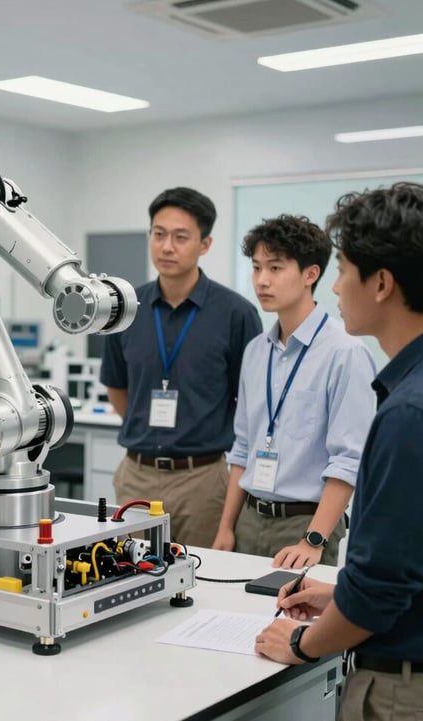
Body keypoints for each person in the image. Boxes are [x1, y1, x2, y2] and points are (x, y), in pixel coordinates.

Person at [254, 183, 423, 719]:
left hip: (401, 685)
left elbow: (382, 587)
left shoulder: (407, 412)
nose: (334, 286)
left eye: (344, 270)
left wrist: (301, 643)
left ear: (381, 284)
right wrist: (339, 597)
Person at [100, 187, 262, 547]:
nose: (167, 247)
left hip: (202, 480)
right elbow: (116, 385)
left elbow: (249, 400)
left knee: (201, 574)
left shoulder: (236, 314)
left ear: (205, 244)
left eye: (180, 237)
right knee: (129, 570)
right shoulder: (125, 309)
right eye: (159, 235)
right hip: (136, 476)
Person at [211, 215, 375, 568]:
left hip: (306, 524)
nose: (262, 280)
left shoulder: (345, 352)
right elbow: (242, 447)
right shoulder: (256, 351)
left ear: (310, 274)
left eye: (275, 268)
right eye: (257, 268)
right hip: (248, 518)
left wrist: (313, 539)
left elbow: (349, 460)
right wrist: (226, 527)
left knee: (295, 607)